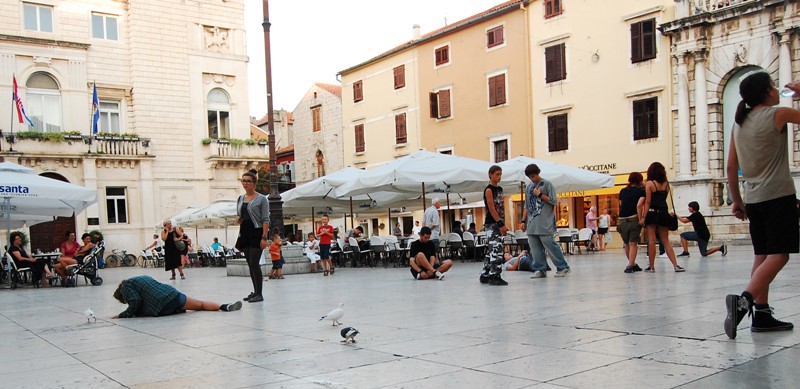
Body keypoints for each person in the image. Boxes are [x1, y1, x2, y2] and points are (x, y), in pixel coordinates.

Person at [724, 73, 799, 339]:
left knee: (762, 255)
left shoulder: (739, 124)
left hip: (753, 198)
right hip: (778, 195)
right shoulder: (777, 115)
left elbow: (732, 166)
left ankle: (763, 314)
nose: (778, 90)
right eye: (774, 86)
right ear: (767, 92)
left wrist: (737, 200)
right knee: (780, 255)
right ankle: (743, 301)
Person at [521, 163, 571, 279]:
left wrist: (540, 195)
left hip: (545, 222)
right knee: (535, 248)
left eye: (534, 176)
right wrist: (523, 221)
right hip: (532, 223)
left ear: (538, 173)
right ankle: (540, 269)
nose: (532, 179)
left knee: (550, 245)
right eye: (530, 177)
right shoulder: (529, 187)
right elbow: (526, 205)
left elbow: (553, 201)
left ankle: (563, 267)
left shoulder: (547, 184)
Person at [111, 275, 242, 318]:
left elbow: (135, 301)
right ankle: (224, 306)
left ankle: (176, 310)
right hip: (172, 294)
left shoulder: (125, 287)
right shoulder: (140, 278)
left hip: (162, 307)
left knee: (169, 309)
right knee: (200, 304)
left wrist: (124, 314)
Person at [643, 161, 685, 273]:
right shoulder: (666, 184)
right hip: (663, 212)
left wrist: (644, 216)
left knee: (651, 240)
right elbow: (664, 198)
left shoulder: (650, 184)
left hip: (652, 212)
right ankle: (675, 265)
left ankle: (651, 266)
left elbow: (647, 201)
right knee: (666, 240)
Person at [236, 168, 270, 303]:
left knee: (255, 264)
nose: (245, 183)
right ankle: (255, 291)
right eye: (243, 181)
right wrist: (239, 220)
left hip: (257, 232)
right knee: (250, 264)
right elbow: (241, 215)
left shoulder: (262, 199)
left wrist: (264, 237)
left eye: (248, 181)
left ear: (254, 183)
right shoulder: (240, 198)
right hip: (244, 231)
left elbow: (265, 219)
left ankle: (259, 293)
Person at [479, 165, 508, 285]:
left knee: (492, 249)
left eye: (500, 174)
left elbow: (501, 207)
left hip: (498, 222)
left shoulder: (500, 189)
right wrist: (500, 223)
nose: (499, 176)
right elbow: (491, 208)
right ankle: (495, 275)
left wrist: (503, 222)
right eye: (497, 174)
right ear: (490, 174)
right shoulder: (489, 190)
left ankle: (485, 273)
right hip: (492, 223)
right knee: (497, 249)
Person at [618, 172, 646, 273]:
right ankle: (630, 265)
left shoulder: (623, 191)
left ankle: (632, 264)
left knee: (626, 243)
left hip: (622, 220)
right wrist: (641, 218)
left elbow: (621, 204)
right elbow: (639, 205)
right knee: (633, 243)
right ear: (640, 180)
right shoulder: (641, 191)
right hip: (633, 218)